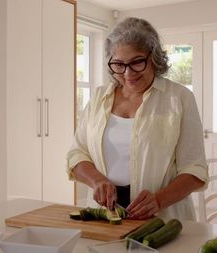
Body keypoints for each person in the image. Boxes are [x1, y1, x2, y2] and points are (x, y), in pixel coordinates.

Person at [66, 17, 208, 221]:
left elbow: (195, 170)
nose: (128, 73)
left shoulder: (179, 98)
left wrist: (159, 200)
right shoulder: (99, 98)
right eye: (119, 64)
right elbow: (77, 154)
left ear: (154, 59)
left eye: (137, 62)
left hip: (164, 219)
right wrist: (96, 180)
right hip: (103, 216)